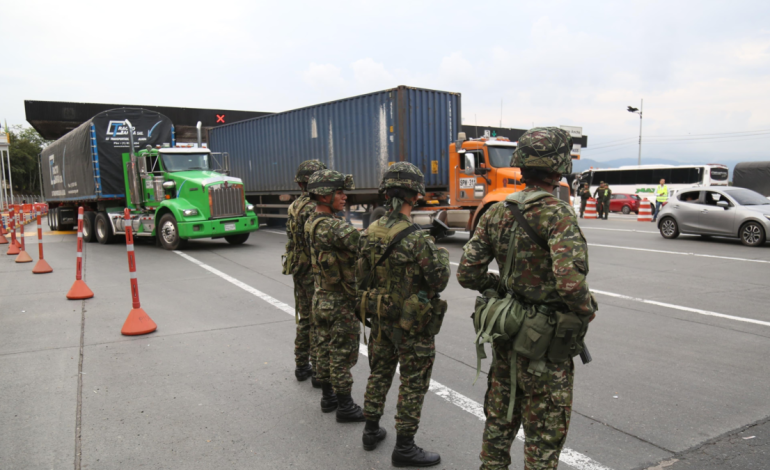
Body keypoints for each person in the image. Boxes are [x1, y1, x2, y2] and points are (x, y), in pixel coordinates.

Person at [456, 127, 597, 470]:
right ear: (560, 168)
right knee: (543, 437)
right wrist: (586, 310)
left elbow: (467, 274)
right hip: (545, 346)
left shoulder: (495, 212)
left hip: (508, 332)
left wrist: (503, 289)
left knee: (499, 423)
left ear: (521, 167)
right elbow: (570, 285)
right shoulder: (558, 214)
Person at [357, 162, 450, 467]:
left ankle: (370, 430)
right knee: (413, 382)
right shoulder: (417, 239)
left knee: (379, 372)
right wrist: (441, 252)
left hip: (381, 316)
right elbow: (439, 280)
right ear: (415, 194)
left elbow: (362, 278)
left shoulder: (370, 230)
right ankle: (405, 447)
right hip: (412, 324)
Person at [304, 169, 365, 422]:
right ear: (323, 195)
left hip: (321, 296)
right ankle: (345, 406)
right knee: (342, 353)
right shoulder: (332, 227)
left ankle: (328, 397)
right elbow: (366, 244)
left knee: (324, 348)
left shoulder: (312, 221)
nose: (344, 197)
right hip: (339, 300)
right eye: (338, 192)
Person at [283, 160, 327, 386]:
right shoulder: (313, 207)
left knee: (305, 318)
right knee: (318, 321)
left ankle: (302, 364)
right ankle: (319, 371)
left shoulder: (295, 205)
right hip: (311, 268)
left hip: (298, 267)